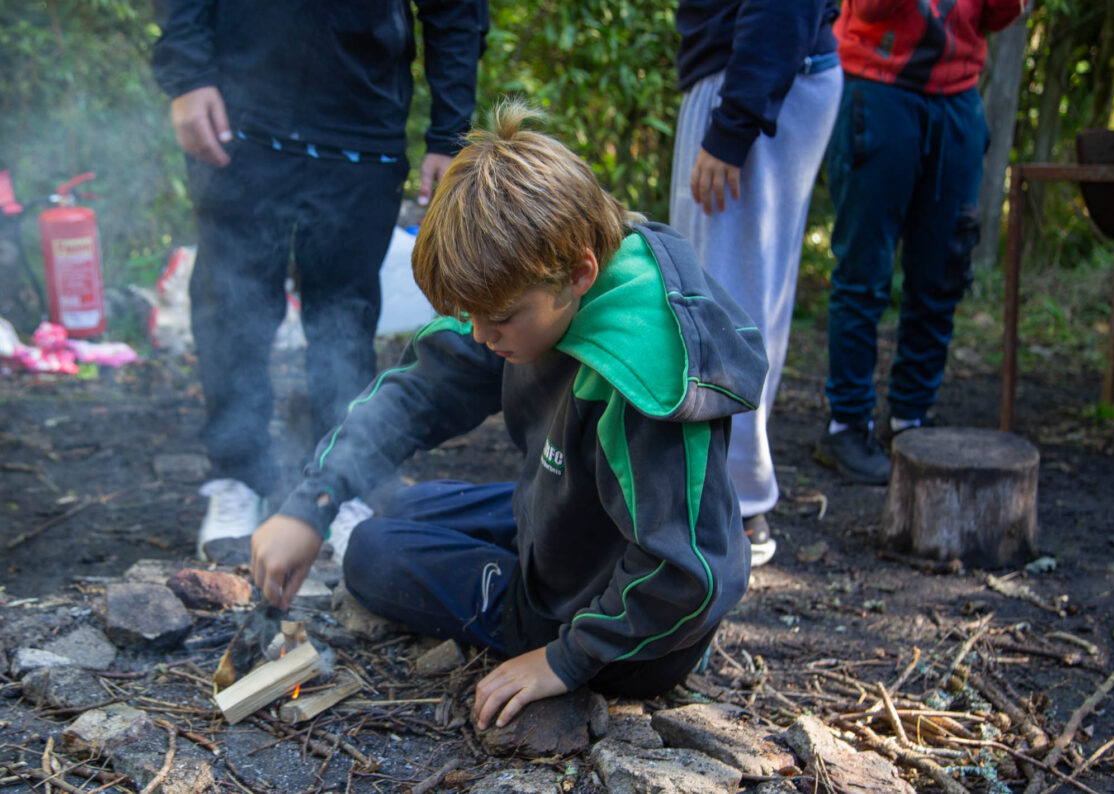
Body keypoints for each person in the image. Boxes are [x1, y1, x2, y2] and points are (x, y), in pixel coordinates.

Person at [250, 101, 769, 729]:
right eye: (469, 315)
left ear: (579, 272)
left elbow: (693, 571)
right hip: (577, 524)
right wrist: (312, 502)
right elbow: (418, 393)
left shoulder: (638, 376)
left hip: (625, 634)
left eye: (496, 319)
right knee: (404, 506)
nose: (479, 334)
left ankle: (538, 619)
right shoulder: (533, 281)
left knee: (369, 550)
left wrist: (564, 659)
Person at [150, 1, 489, 556]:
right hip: (239, 105)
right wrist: (187, 74)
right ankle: (237, 475)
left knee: (346, 315)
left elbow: (455, 8)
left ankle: (339, 484)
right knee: (230, 298)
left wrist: (450, 133)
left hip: (362, 116)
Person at [814, 0, 1025, 484]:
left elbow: (998, 15)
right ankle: (847, 424)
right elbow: (871, 10)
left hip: (958, 97)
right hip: (878, 87)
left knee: (943, 272)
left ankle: (910, 417)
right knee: (864, 271)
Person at [670, 0, 843, 565]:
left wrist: (734, 122)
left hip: (754, 74)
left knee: (724, 301)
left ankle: (732, 504)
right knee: (736, 291)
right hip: (757, 72)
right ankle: (728, 495)